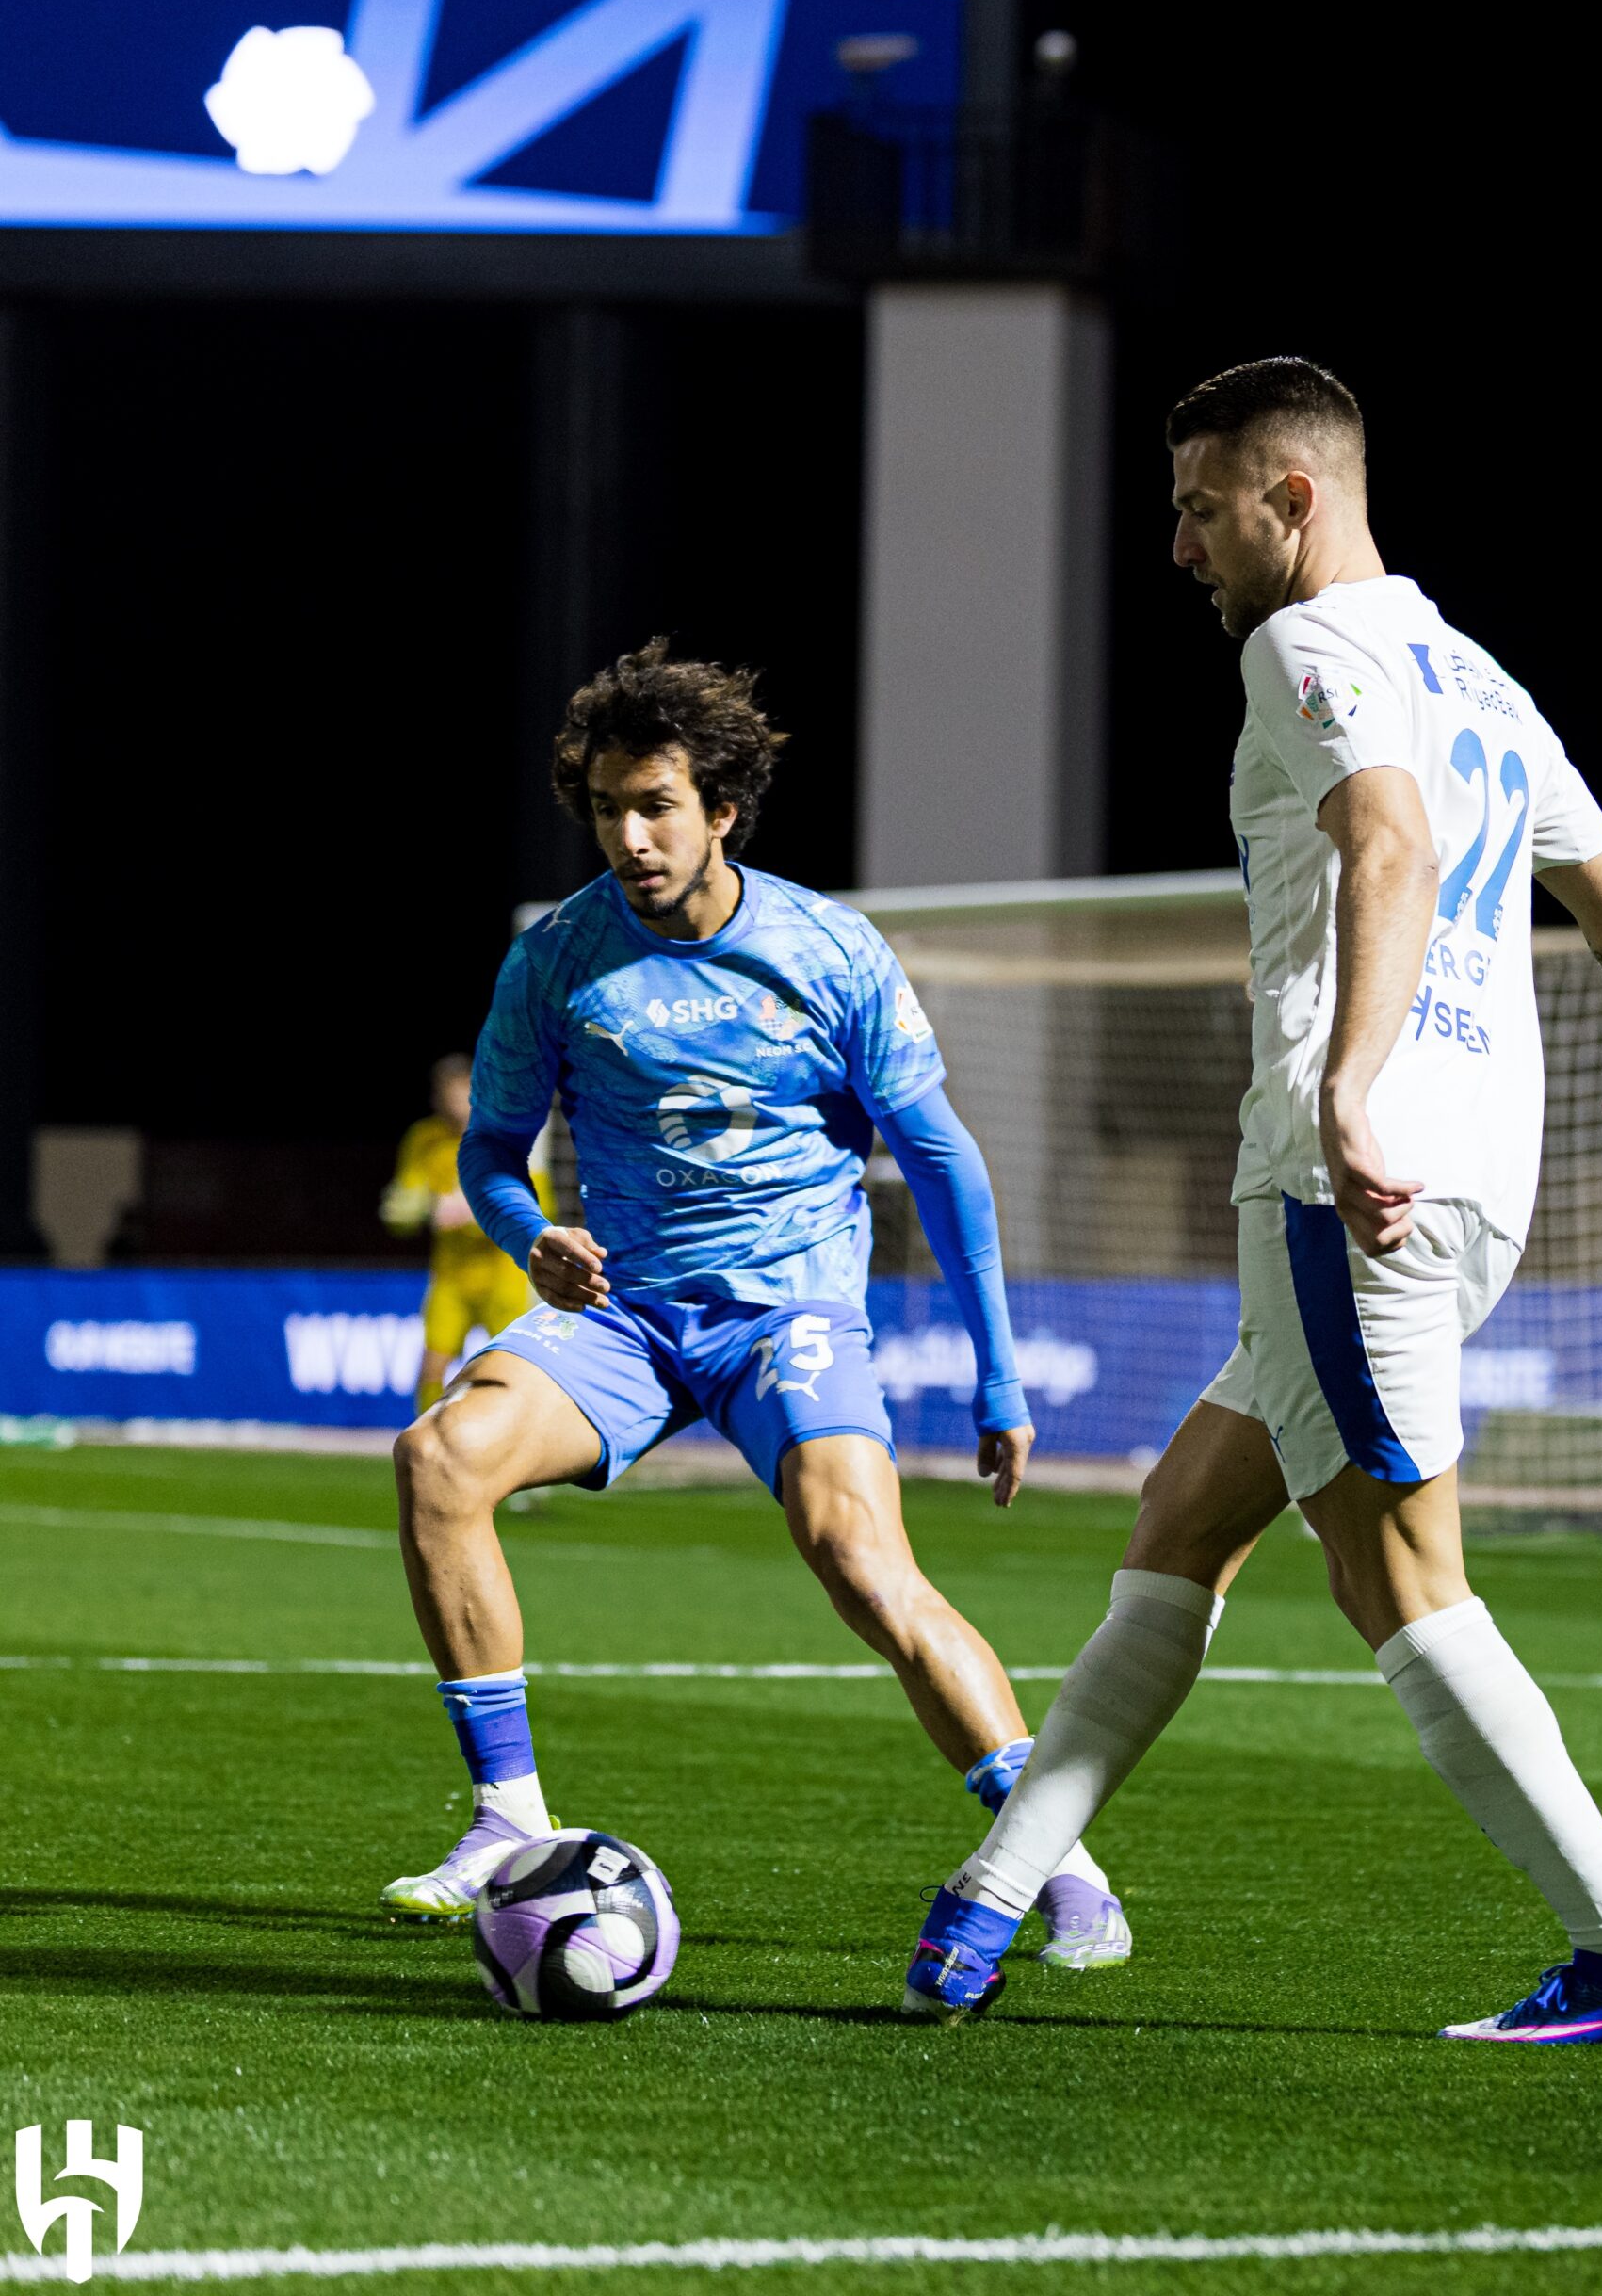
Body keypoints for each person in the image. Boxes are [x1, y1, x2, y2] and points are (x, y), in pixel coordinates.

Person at [905, 357, 1602, 2045]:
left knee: (1399, 1585)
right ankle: (986, 1904)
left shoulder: (1308, 643)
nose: (1179, 547)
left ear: (1290, 498)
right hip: (1477, 1175)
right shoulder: (1481, 677)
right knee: (1181, 1531)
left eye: (1199, 509)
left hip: (1358, 1177)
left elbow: (1387, 845)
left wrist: (1346, 1087)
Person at [380, 641, 1127, 1971]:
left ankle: (1057, 1865)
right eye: (609, 807)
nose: (630, 834)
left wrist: (998, 1377)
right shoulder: (558, 959)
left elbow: (945, 1161)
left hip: (790, 1317)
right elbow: (495, 1152)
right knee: (441, 1459)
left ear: (721, 808)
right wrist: (529, 1233)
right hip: (627, 1314)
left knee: (861, 1561)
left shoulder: (829, 949)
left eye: (656, 804)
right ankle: (506, 1820)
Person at [381, 1055, 546, 1410]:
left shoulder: (506, 1135)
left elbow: (537, 1206)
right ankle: (429, 1443)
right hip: (451, 1276)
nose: (456, 1104)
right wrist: (417, 1206)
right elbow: (403, 1207)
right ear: (437, 1098)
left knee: (515, 1371)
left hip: (505, 1275)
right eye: (448, 1095)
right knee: (431, 1369)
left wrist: (473, 1213)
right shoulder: (424, 1138)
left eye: (463, 1093)